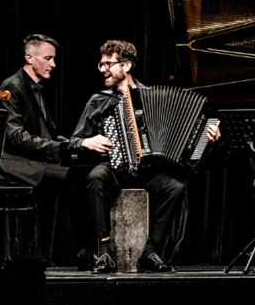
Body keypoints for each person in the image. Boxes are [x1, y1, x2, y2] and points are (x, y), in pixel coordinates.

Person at [68, 40, 220, 273]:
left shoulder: (150, 96)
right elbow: (74, 140)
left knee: (175, 187)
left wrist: (206, 136)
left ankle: (150, 251)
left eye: (108, 64)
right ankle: (105, 250)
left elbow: (191, 136)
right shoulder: (98, 100)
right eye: (101, 64)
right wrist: (87, 141)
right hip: (114, 169)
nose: (103, 70)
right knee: (95, 176)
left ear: (127, 66)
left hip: (147, 172)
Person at [0, 34, 70, 188]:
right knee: (71, 175)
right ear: (29, 58)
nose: (53, 64)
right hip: (15, 164)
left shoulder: (35, 88)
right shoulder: (12, 87)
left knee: (81, 167)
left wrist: (72, 144)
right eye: (48, 58)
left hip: (32, 160)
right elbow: (15, 136)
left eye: (53, 59)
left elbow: (43, 134)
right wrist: (60, 148)